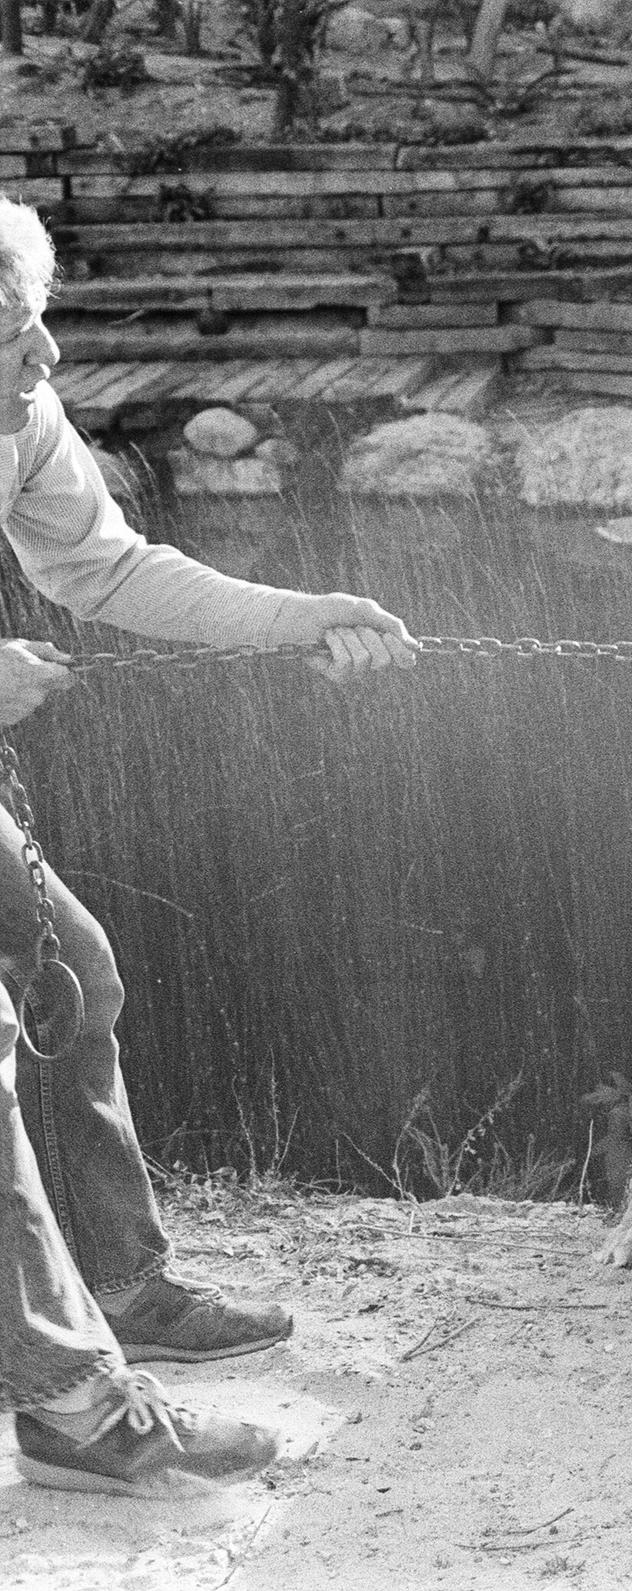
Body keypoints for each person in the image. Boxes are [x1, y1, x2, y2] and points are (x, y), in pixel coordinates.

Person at [0, 194, 418, 1496]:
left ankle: (116, 1287)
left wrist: (308, 617)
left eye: (40, 326)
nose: (51, 361)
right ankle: (74, 1403)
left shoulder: (18, 420)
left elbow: (112, 571)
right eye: (17, 334)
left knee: (74, 979)